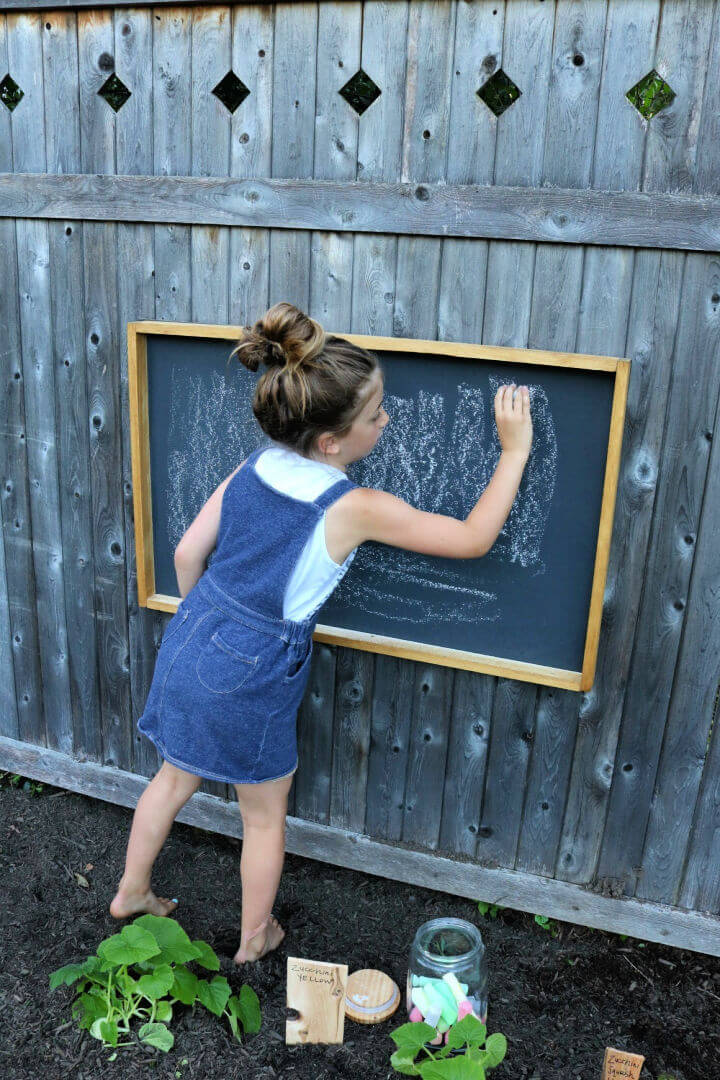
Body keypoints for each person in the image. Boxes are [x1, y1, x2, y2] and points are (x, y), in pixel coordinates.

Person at [110, 301, 533, 964]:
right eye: (375, 415)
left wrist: (208, 628)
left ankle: (132, 891)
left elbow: (189, 555)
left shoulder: (254, 465)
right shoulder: (354, 506)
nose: (386, 421)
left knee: (171, 779)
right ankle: (255, 940)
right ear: (332, 442)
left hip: (195, 630)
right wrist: (514, 451)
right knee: (262, 815)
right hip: (253, 661)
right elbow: (474, 539)